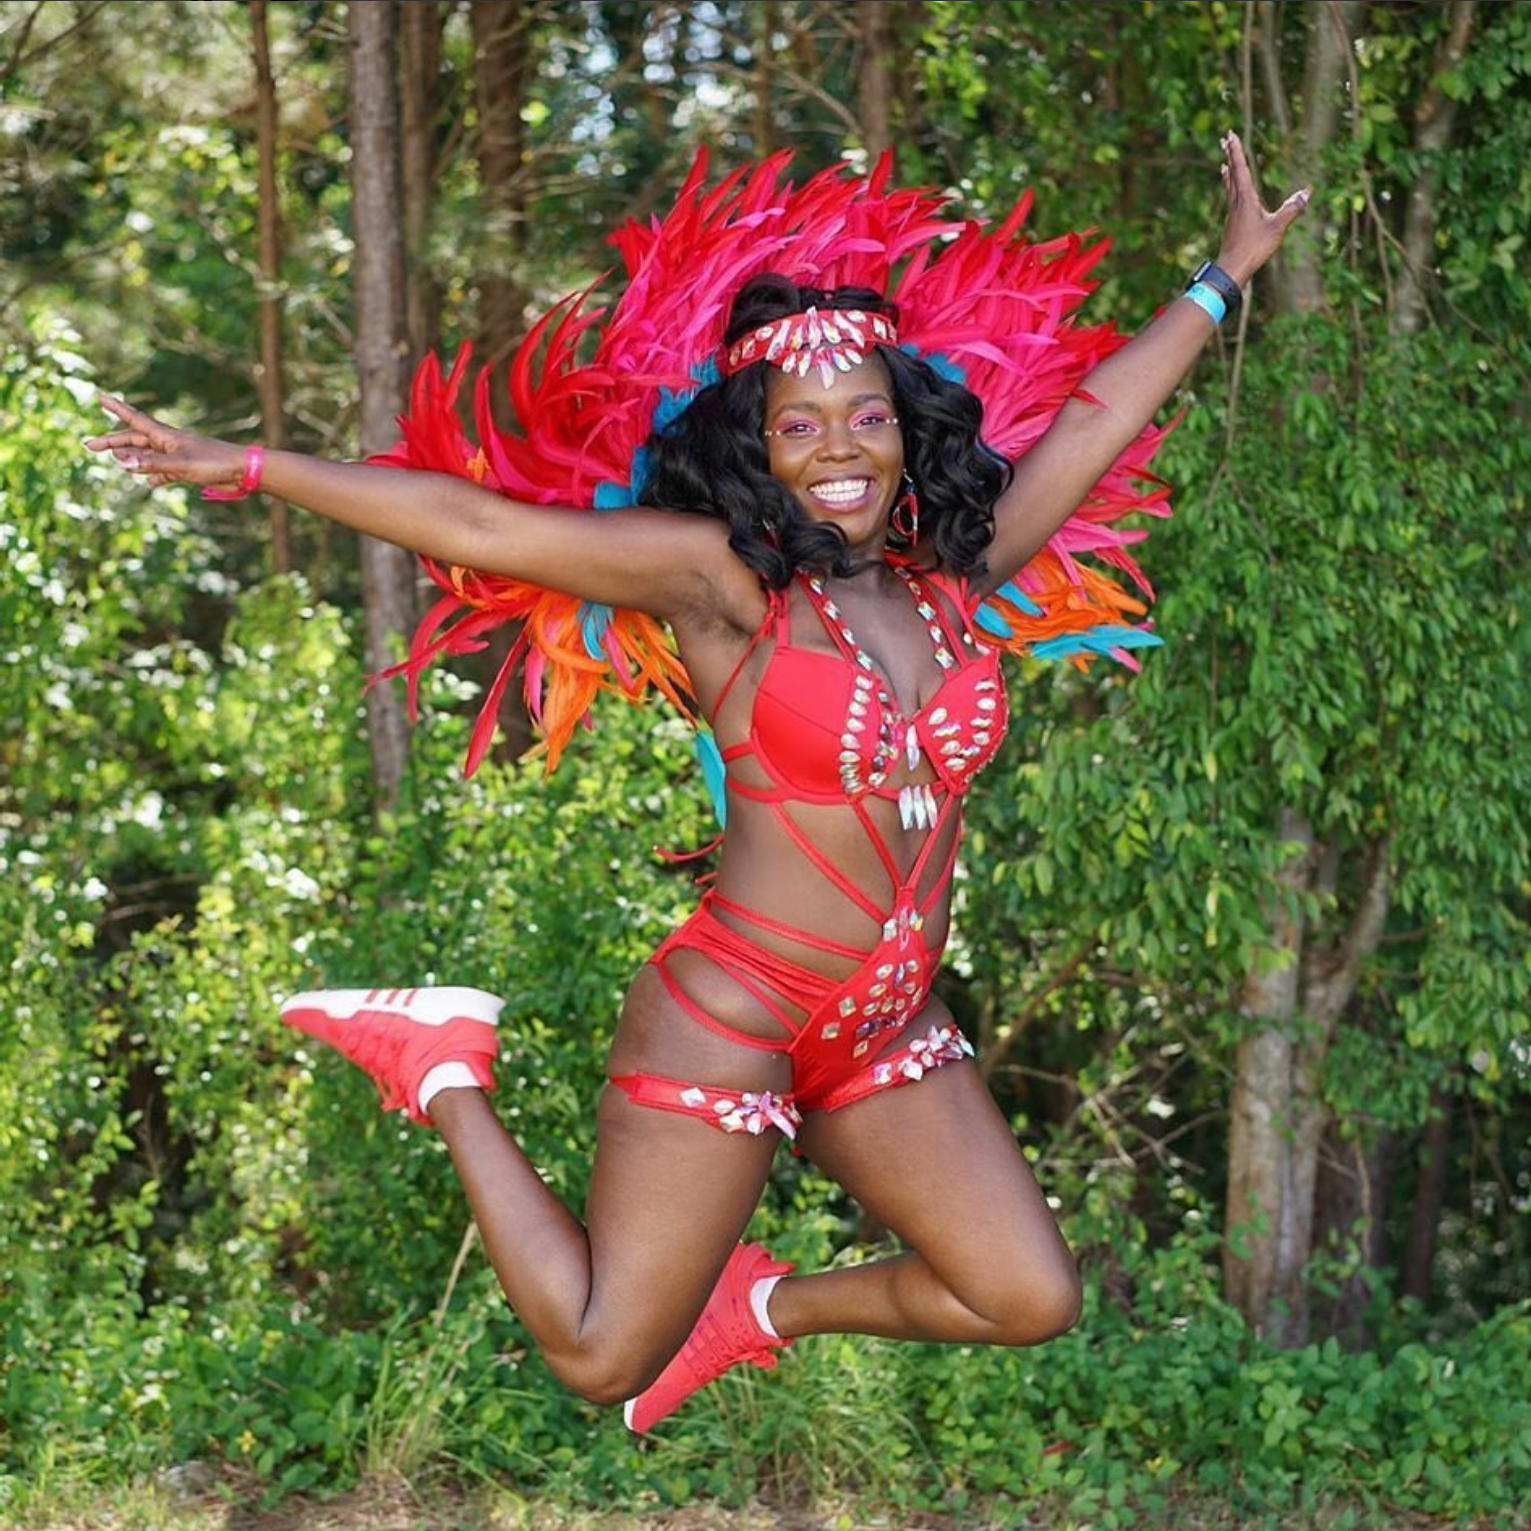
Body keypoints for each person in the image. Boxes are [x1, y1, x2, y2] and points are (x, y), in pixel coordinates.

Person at [86, 133, 1308, 1433]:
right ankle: (440, 1063)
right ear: (757, 449)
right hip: (732, 1009)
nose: (839, 446)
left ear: (909, 430)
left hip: (885, 1024)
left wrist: (1225, 273)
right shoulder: (721, 588)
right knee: (600, 1354)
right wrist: (255, 466)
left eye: (867, 415)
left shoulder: (954, 580)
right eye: (800, 425)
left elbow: (1094, 418)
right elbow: (484, 525)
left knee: (1023, 1294)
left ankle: (760, 1309)